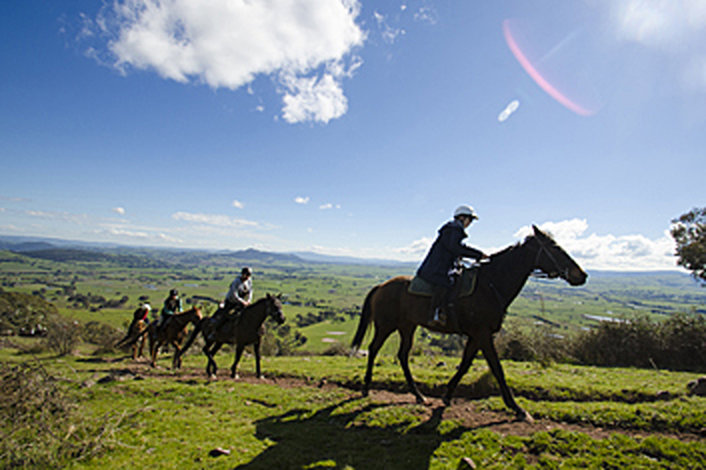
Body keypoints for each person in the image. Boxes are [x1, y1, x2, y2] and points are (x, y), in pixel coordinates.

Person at [416, 205, 488, 327]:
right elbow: (455, 248)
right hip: (437, 268)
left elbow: (454, 250)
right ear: (461, 217)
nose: (470, 223)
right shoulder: (454, 229)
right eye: (469, 220)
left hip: (444, 265)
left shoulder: (453, 229)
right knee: (446, 282)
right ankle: (435, 313)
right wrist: (478, 254)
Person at [210, 267, 253, 333]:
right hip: (231, 301)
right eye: (246, 275)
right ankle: (214, 331)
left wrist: (248, 301)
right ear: (243, 274)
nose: (247, 277)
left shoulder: (249, 281)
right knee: (225, 315)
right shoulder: (236, 282)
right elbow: (234, 295)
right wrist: (243, 302)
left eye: (249, 275)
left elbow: (250, 291)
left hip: (241, 302)